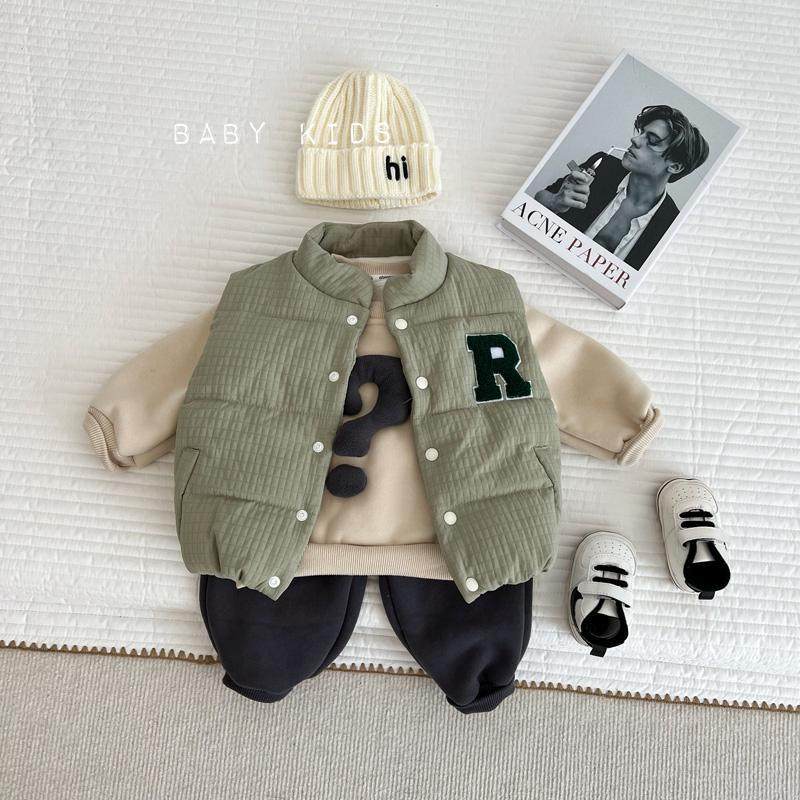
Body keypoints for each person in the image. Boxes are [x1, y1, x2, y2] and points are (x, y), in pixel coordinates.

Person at [534, 105, 709, 269]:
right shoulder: (602, 166)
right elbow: (540, 198)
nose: (635, 139)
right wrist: (556, 201)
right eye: (641, 133)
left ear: (675, 166)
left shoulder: (671, 225)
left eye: (652, 140)